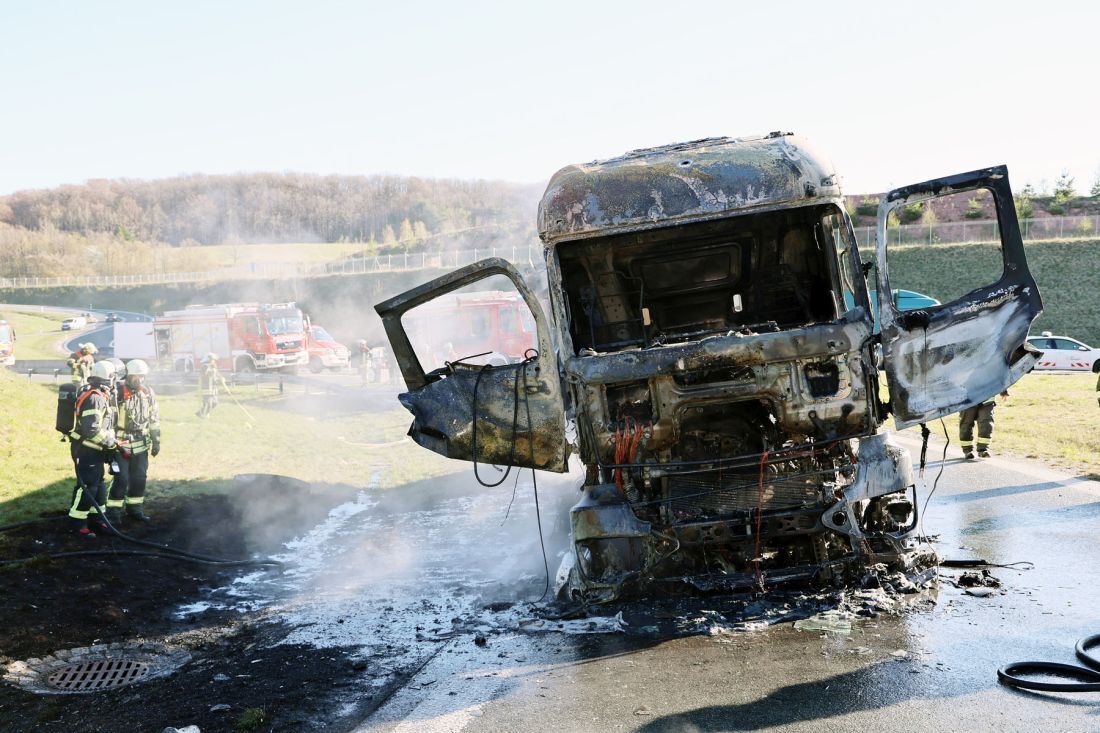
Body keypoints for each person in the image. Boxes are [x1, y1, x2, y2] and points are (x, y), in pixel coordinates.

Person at [106, 359, 161, 523]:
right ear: (128, 376)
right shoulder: (117, 393)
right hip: (120, 445)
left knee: (139, 479)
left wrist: (156, 440)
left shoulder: (148, 393)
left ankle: (134, 509)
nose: (140, 380)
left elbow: (154, 419)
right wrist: (110, 444)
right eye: (136, 376)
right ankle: (113, 513)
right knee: (121, 479)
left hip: (141, 445)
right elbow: (108, 420)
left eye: (143, 376)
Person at [67, 360, 117, 537]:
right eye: (113, 377)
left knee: (98, 485)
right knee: (87, 486)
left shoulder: (99, 395)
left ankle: (96, 519)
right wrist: (109, 443)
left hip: (95, 450)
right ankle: (77, 523)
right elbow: (91, 429)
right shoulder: (95, 398)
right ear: (108, 378)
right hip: (87, 450)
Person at [959, 391, 1008, 459]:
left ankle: (983, 450)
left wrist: (1003, 391)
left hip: (987, 398)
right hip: (967, 398)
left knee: (987, 425)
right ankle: (967, 451)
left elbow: (996, 379)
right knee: (966, 425)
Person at [197, 353, 225, 418]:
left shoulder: (213, 366)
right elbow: (204, 375)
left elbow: (216, 374)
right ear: (209, 359)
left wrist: (221, 378)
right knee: (208, 404)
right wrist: (209, 371)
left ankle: (201, 413)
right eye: (213, 359)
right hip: (207, 388)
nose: (214, 361)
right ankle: (203, 415)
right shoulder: (205, 366)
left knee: (215, 403)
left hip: (213, 389)